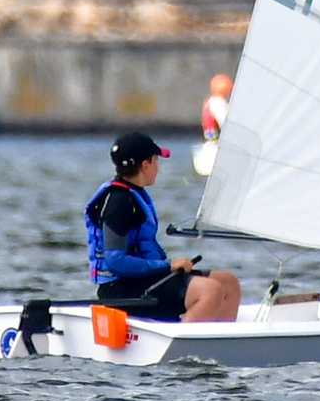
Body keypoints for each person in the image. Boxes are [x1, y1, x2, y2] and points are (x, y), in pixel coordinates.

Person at [85, 130, 241, 323]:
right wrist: (168, 266)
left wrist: (166, 268)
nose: (158, 167)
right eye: (156, 161)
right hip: (121, 290)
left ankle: (220, 344)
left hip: (142, 281)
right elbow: (115, 261)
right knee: (211, 290)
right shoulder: (119, 203)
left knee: (228, 282)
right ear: (145, 165)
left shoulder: (133, 194)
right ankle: (187, 350)